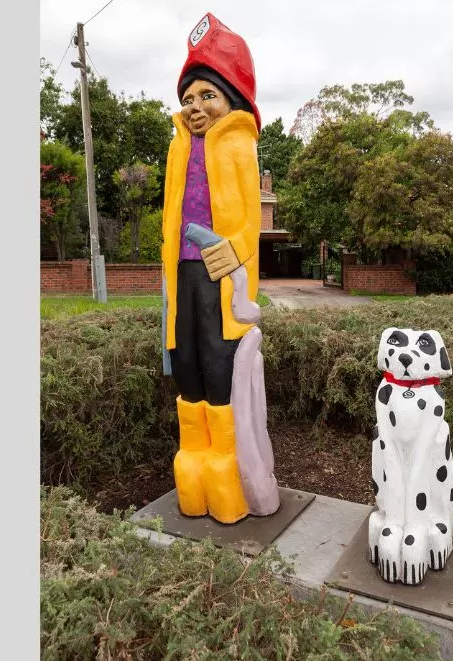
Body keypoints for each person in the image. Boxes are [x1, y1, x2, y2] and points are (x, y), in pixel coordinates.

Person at [161, 13, 263, 524]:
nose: (196, 107)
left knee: (220, 358)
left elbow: (248, 217)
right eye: (189, 97)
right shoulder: (178, 148)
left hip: (220, 276)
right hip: (182, 273)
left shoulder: (240, 143)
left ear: (231, 98)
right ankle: (192, 455)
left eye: (207, 95)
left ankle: (225, 459)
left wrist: (236, 250)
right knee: (187, 364)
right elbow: (168, 215)